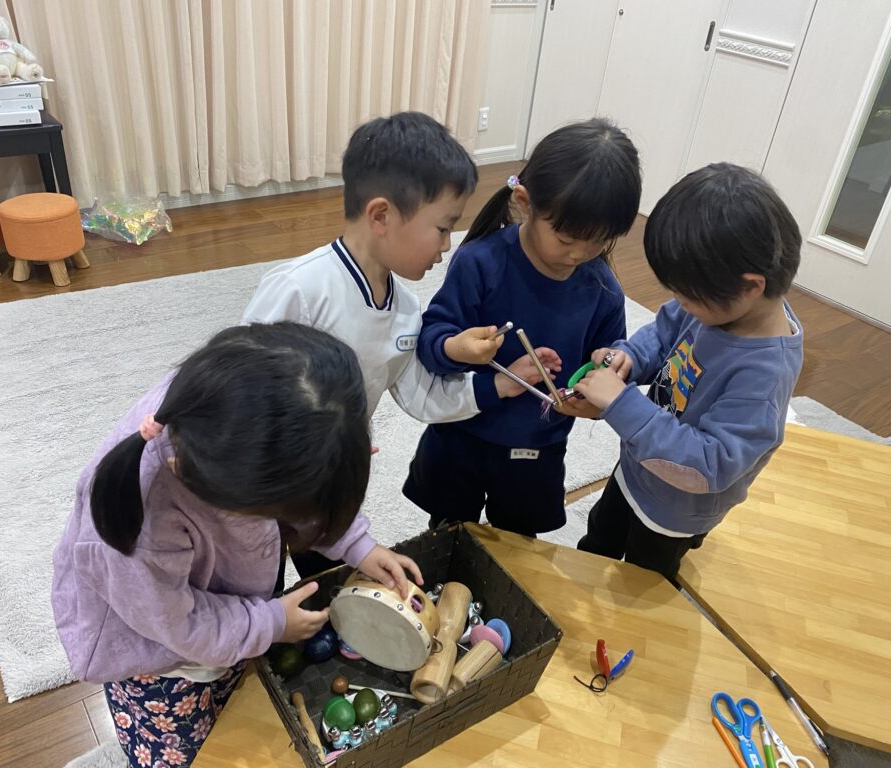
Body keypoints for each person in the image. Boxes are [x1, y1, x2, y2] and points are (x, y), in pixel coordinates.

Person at [52, 323, 422, 768]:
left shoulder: (231, 417)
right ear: (239, 497)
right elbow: (181, 627)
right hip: (162, 663)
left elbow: (300, 488)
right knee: (186, 755)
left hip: (219, 613)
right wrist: (269, 623)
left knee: (232, 705)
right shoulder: (142, 529)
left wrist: (358, 544)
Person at [242, 111, 548, 575]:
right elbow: (238, 389)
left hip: (330, 482)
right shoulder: (300, 289)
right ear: (381, 215)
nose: (447, 245)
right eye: (443, 228)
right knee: (255, 577)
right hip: (262, 477)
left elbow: (422, 392)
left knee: (326, 581)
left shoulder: (405, 309)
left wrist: (500, 386)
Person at [561, 163, 804, 579]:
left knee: (643, 582)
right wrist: (629, 358)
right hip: (638, 463)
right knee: (600, 536)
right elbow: (663, 332)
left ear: (751, 286)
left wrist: (622, 404)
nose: (680, 304)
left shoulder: (764, 375)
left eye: (688, 296)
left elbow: (708, 466)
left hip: (675, 510)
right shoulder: (716, 305)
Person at [403, 117, 642, 537]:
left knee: (518, 544)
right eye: (566, 239)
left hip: (538, 446)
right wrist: (458, 348)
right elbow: (430, 343)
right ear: (525, 201)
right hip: (461, 430)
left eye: (598, 242)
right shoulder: (480, 262)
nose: (579, 255)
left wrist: (603, 383)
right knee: (447, 532)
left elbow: (609, 363)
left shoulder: (603, 291)